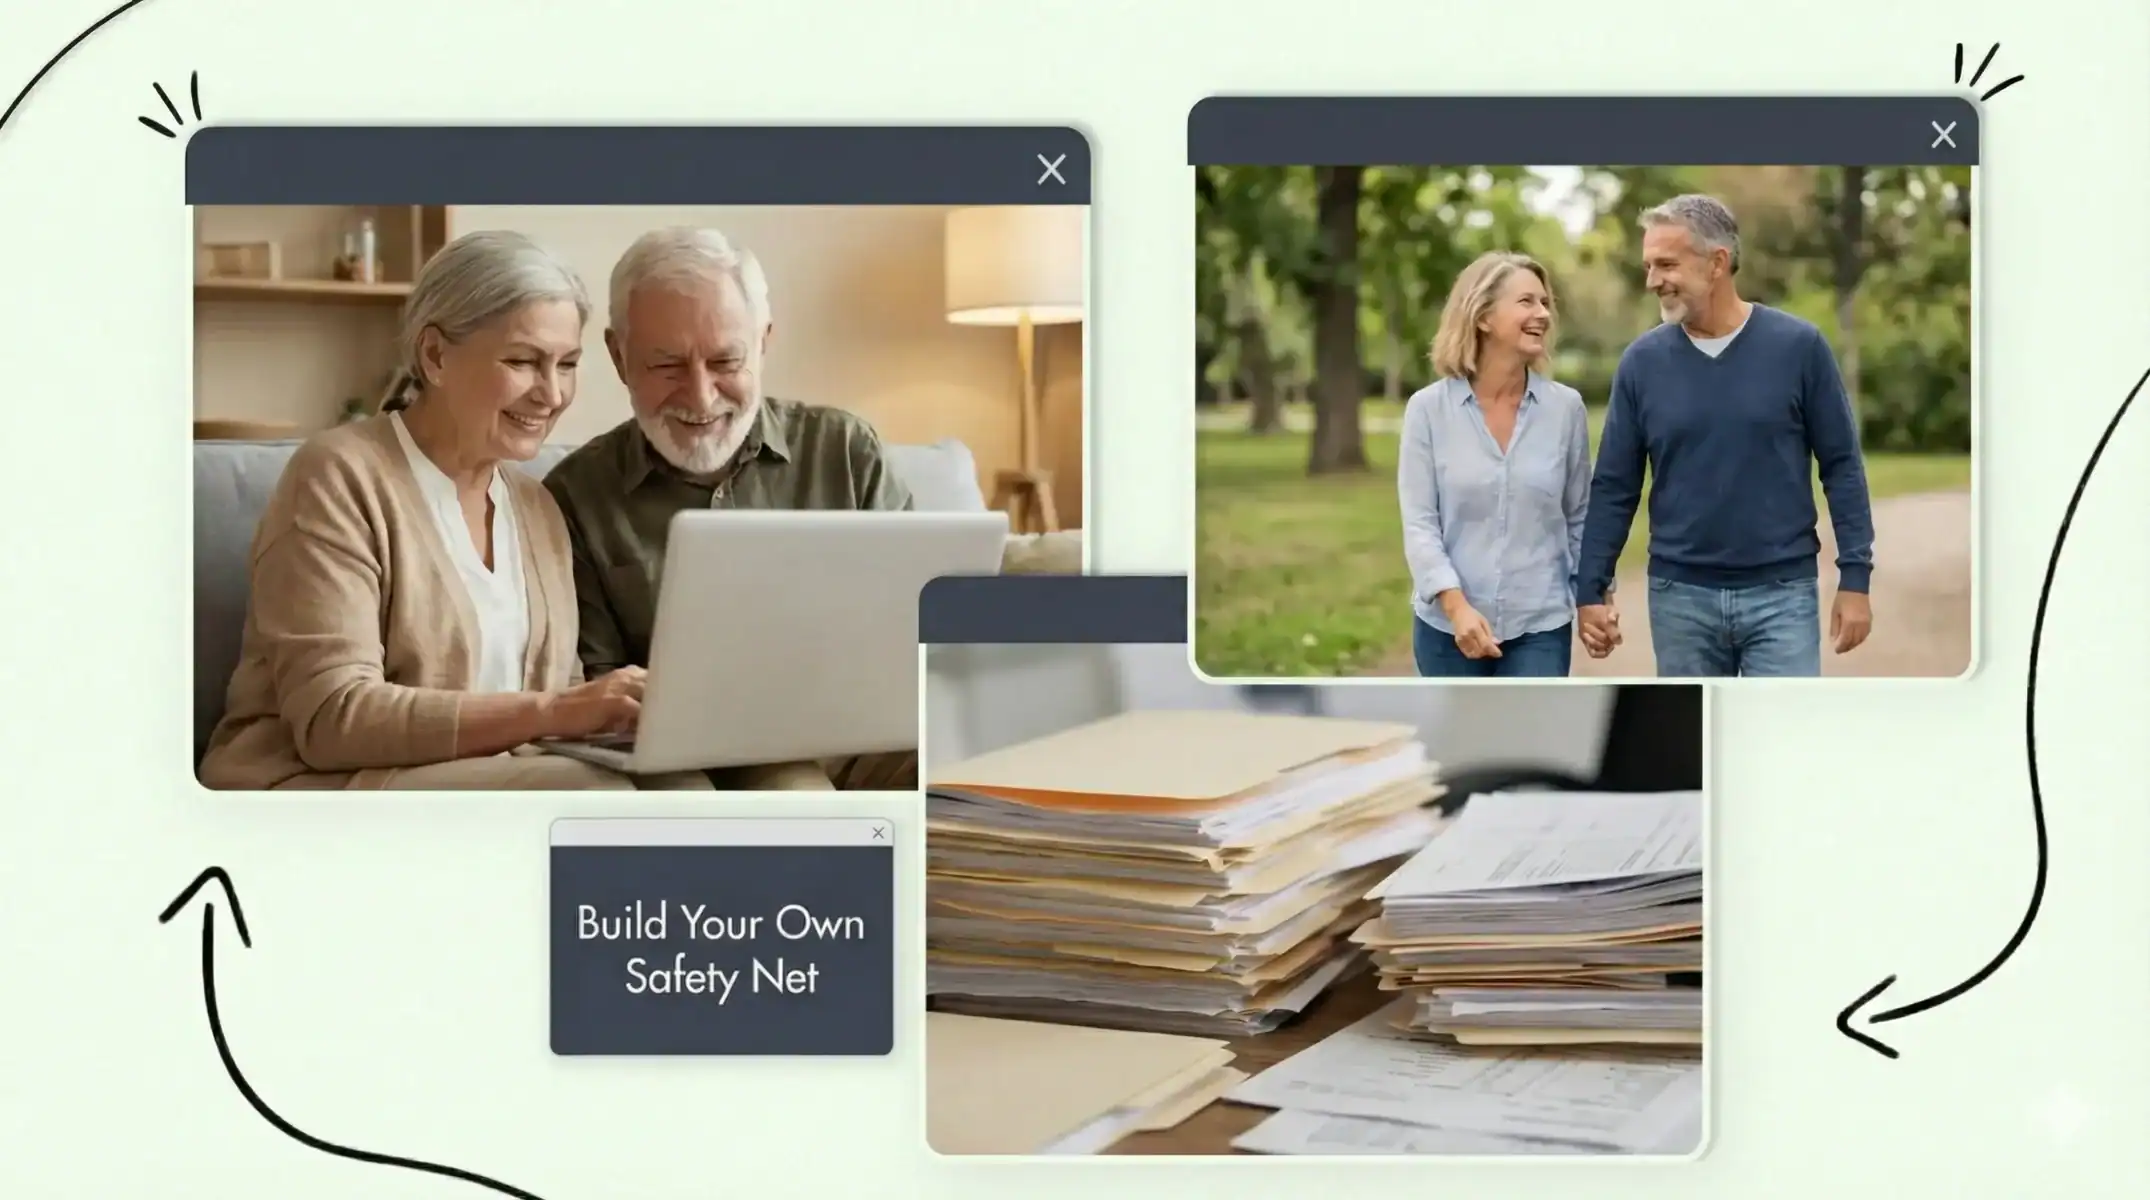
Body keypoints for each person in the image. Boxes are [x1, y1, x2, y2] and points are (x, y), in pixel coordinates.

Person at [199, 231, 711, 790]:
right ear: (435, 356)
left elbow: (559, 701)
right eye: (523, 361)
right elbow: (333, 719)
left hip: (491, 781)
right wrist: (555, 711)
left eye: (566, 364)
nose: (551, 393)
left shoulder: (538, 507)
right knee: (588, 793)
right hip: (325, 784)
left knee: (684, 786)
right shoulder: (337, 477)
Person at [542, 226, 918, 790]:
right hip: (694, 754)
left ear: (762, 343)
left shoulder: (845, 450)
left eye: (725, 361)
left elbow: (920, 626)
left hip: (859, 736)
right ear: (619, 357)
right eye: (667, 366)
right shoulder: (575, 496)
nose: (700, 396)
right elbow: (599, 689)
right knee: (791, 793)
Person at [1574, 194, 1875, 678]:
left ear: (1717, 263)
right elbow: (1614, 485)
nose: (1652, 281)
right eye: (1649, 266)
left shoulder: (1799, 348)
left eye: (1666, 264)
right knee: (1690, 726)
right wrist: (1591, 586)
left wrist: (1855, 578)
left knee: (1783, 726)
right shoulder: (1641, 364)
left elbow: (1842, 467)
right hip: (1680, 601)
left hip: (1782, 596)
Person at [1397, 251, 1599, 678]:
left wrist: (1594, 597)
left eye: (1545, 303)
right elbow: (1420, 525)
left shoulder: (1566, 410)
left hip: (1539, 627)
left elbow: (1580, 516)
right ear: (1483, 316)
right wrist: (1456, 607)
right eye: (1526, 301)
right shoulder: (1428, 410)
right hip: (1447, 631)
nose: (1543, 314)